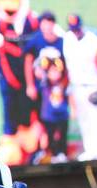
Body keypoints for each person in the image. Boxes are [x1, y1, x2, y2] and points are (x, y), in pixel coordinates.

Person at [0, 0, 41, 164]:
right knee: (10, 106)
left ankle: (31, 138)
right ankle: (11, 141)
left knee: (30, 106)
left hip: (30, 77)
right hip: (7, 77)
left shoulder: (33, 21)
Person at [24, 12, 69, 161]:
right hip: (41, 89)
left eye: (49, 22)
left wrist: (64, 85)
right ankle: (43, 150)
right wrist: (30, 85)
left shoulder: (62, 41)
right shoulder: (37, 40)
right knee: (42, 119)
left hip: (57, 90)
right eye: (44, 22)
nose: (47, 26)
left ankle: (59, 151)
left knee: (59, 120)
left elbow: (67, 66)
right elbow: (28, 61)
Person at [63, 13, 97, 160]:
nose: (75, 31)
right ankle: (90, 150)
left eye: (77, 28)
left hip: (93, 86)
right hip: (77, 87)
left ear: (81, 26)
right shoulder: (68, 40)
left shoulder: (94, 42)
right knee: (84, 120)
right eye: (72, 28)